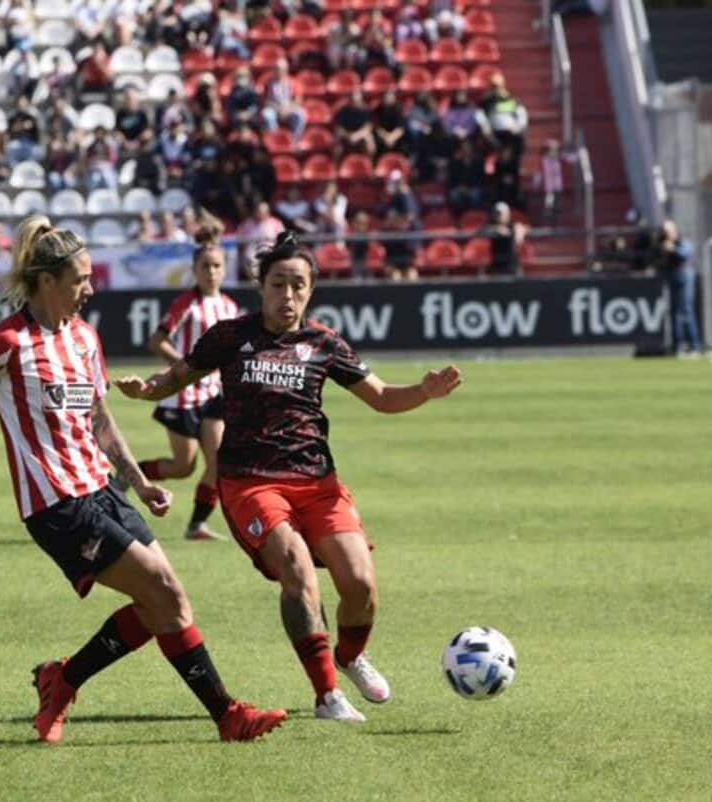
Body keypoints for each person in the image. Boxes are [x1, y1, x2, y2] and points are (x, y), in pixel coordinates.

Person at [0, 216, 287, 743]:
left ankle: (62, 680)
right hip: (55, 505)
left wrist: (139, 481)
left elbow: (100, 420)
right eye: (81, 278)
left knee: (162, 605)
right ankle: (227, 716)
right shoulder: (7, 342)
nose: (90, 287)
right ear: (47, 281)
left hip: (101, 490)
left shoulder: (84, 337)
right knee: (167, 593)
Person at [114, 232, 463, 722]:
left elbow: (382, 397)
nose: (288, 295)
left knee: (360, 584)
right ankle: (326, 694)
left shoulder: (323, 343)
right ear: (261, 286)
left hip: (317, 481)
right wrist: (144, 390)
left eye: (298, 285)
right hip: (250, 481)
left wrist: (423, 392)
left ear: (311, 290)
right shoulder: (232, 336)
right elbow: (174, 380)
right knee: (296, 570)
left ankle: (349, 657)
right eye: (278, 284)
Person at [133, 228, 240, 541]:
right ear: (194, 270)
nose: (211, 272)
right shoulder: (187, 303)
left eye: (216, 266)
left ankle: (196, 525)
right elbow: (157, 340)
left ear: (225, 268)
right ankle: (128, 476)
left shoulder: (230, 307)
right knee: (183, 467)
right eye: (205, 266)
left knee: (218, 464)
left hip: (214, 396)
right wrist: (184, 366)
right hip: (184, 394)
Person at [655, 219, 701, 354]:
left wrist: (673, 249)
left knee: (686, 310)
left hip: (684, 277)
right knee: (674, 313)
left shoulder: (682, 240)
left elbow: (685, 253)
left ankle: (694, 345)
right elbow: (657, 257)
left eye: (668, 230)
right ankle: (677, 347)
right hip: (671, 276)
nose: (666, 233)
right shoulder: (662, 241)